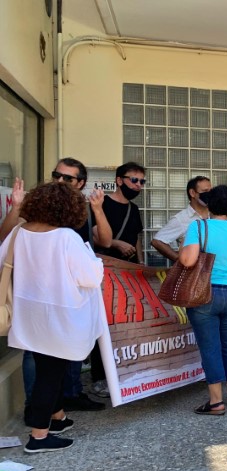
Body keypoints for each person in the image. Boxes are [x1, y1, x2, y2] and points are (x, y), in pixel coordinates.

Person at [1, 182, 107, 452]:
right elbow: (90, 277)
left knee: (48, 370)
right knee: (50, 375)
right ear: (68, 208)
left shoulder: (19, 232)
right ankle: (38, 436)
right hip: (61, 316)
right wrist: (97, 261)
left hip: (29, 314)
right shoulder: (66, 237)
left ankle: (57, 417)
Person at [178, 185, 227, 415]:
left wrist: (183, 245)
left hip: (205, 292)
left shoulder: (198, 226)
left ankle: (216, 402)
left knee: (210, 348)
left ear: (209, 205)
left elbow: (187, 261)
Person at [88, 162, 146, 398]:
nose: (138, 185)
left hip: (128, 274)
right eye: (134, 180)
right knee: (103, 325)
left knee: (125, 323)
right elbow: (95, 236)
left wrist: (140, 263)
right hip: (104, 273)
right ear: (119, 180)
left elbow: (137, 238)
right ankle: (99, 377)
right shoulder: (101, 205)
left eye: (142, 181)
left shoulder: (134, 209)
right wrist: (116, 244)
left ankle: (121, 371)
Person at [151, 176, 211, 262]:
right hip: (197, 268)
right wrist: (180, 261)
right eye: (205, 191)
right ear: (192, 193)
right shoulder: (182, 219)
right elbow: (157, 241)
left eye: (211, 191)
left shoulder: (216, 214)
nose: (210, 194)